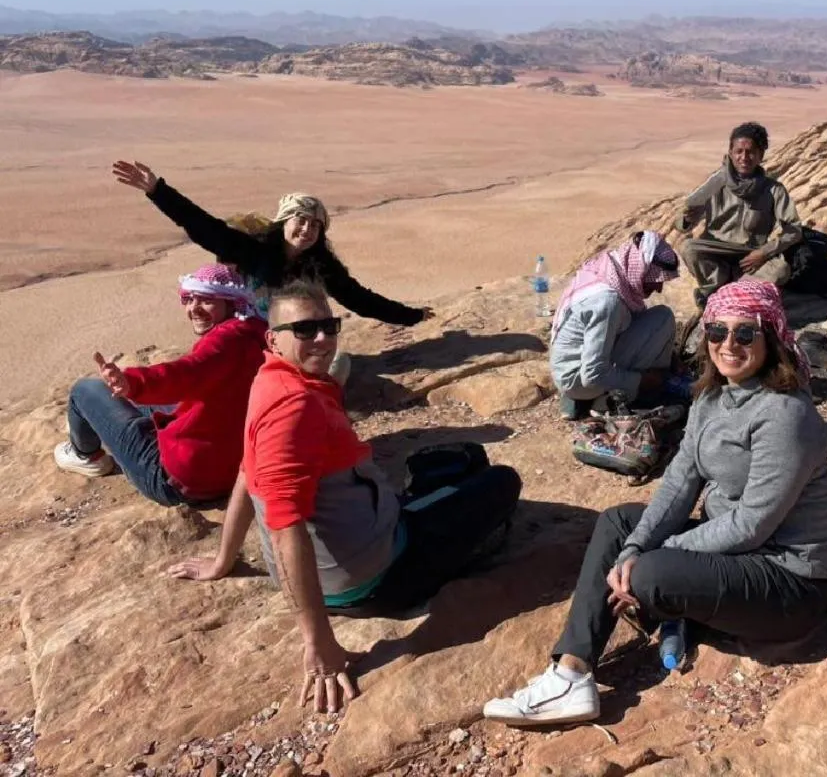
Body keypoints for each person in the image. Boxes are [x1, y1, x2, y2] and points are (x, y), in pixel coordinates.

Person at [484, 279, 827, 727]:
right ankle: (571, 674)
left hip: (786, 580)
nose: (729, 344)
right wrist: (635, 545)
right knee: (618, 524)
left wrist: (658, 554)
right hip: (734, 556)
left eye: (745, 333)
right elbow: (679, 481)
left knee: (650, 573)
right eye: (716, 331)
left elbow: (752, 524)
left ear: (770, 337)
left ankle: (678, 602)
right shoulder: (712, 397)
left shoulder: (786, 414)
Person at [168, 280, 521, 713]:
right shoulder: (293, 410)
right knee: (502, 481)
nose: (322, 339)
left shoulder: (268, 378)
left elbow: (247, 470)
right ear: (273, 337)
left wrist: (224, 559)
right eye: (304, 330)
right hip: (375, 578)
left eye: (328, 326)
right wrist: (319, 644)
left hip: (339, 556)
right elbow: (285, 528)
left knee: (464, 456)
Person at [111, 160, 429, 327]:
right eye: (300, 221)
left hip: (299, 339)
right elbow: (201, 225)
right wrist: (158, 190)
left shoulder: (321, 265)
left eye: (315, 225)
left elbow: (359, 299)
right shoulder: (251, 250)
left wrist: (412, 316)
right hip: (250, 338)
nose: (306, 229)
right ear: (283, 222)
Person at [53, 264, 267, 505]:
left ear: (231, 303)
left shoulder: (223, 344)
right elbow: (190, 381)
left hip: (184, 480)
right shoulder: (256, 333)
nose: (193, 308)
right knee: (141, 401)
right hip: (234, 468)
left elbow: (186, 373)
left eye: (206, 300)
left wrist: (130, 381)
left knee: (85, 391)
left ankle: (86, 456)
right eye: (189, 299)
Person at [550, 230, 681, 419]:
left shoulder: (610, 269)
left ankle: (596, 395)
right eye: (655, 280)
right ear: (641, 270)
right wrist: (642, 380)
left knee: (662, 317)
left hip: (573, 368)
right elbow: (593, 373)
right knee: (661, 322)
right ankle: (607, 400)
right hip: (577, 379)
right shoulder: (607, 301)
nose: (658, 288)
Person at [679, 122, 803, 307]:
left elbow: (794, 230)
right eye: (738, 151)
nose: (744, 157)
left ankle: (727, 290)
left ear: (760, 156)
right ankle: (721, 286)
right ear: (730, 152)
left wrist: (763, 252)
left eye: (751, 152)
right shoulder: (717, 183)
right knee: (689, 248)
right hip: (716, 251)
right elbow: (683, 223)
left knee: (781, 270)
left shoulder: (773, 190)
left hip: (750, 255)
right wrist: (687, 219)